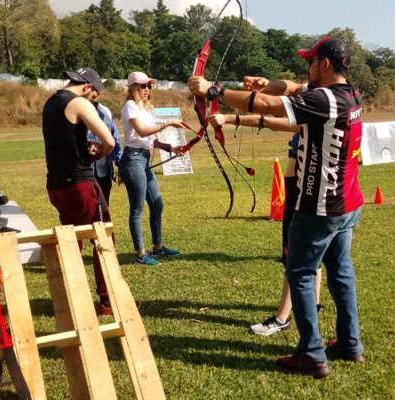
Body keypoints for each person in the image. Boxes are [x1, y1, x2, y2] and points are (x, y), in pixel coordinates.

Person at [192, 38, 365, 378]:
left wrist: (213, 92)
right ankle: (349, 343)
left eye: (310, 62)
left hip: (319, 207)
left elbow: (272, 105)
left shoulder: (322, 99)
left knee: (300, 273)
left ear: (325, 65)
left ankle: (312, 354)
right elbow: (286, 90)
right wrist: (263, 84)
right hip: (347, 205)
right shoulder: (349, 95)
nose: (307, 69)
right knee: (341, 272)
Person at [207, 113, 323, 336]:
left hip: (302, 186)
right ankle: (314, 302)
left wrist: (230, 118)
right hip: (304, 182)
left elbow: (271, 119)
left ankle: (282, 318)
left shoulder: (317, 103)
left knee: (295, 255)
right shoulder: (327, 99)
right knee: (312, 251)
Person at [42, 67, 117, 317]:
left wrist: (85, 148)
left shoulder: (51, 102)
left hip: (56, 186)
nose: (93, 103)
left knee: (73, 242)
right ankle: (107, 302)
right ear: (87, 88)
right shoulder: (78, 102)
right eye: (93, 97)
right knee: (103, 237)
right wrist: (97, 156)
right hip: (79, 184)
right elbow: (110, 142)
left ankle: (69, 298)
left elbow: (64, 141)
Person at [119, 72, 184, 266]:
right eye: (142, 86)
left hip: (143, 160)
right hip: (132, 160)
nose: (146, 90)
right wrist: (167, 123)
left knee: (157, 204)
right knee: (137, 209)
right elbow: (141, 131)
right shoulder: (130, 106)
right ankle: (140, 253)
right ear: (133, 88)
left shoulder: (145, 109)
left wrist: (169, 148)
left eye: (149, 86)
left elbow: (149, 140)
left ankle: (158, 247)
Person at [88, 97, 123, 204]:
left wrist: (121, 167)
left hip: (104, 173)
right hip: (83, 173)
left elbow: (116, 141)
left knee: (104, 208)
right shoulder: (75, 111)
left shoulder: (106, 112)